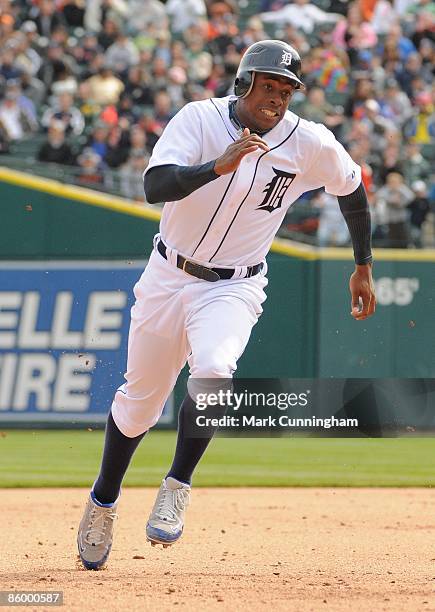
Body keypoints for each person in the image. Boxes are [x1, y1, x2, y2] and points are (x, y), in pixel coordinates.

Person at [77, 40, 376, 570]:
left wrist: (362, 265)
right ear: (244, 84)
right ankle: (103, 500)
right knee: (140, 401)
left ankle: (178, 483)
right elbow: (154, 186)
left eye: (287, 91)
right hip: (168, 275)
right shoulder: (199, 119)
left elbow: (352, 190)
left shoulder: (309, 143)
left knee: (214, 370)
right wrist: (218, 166)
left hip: (234, 286)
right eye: (269, 87)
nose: (278, 99)